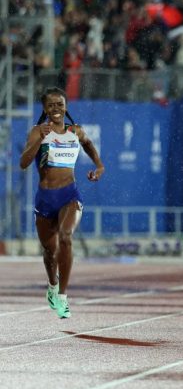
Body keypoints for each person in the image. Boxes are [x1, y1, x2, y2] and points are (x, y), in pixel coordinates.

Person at [19, 87, 105, 319]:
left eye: (60, 104)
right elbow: (24, 162)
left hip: (70, 195)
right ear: (45, 109)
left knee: (66, 238)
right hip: (46, 198)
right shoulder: (38, 131)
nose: (56, 109)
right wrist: (40, 140)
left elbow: (87, 144)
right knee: (49, 251)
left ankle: (63, 297)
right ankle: (53, 285)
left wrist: (99, 166)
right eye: (51, 105)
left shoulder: (75, 131)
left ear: (65, 107)